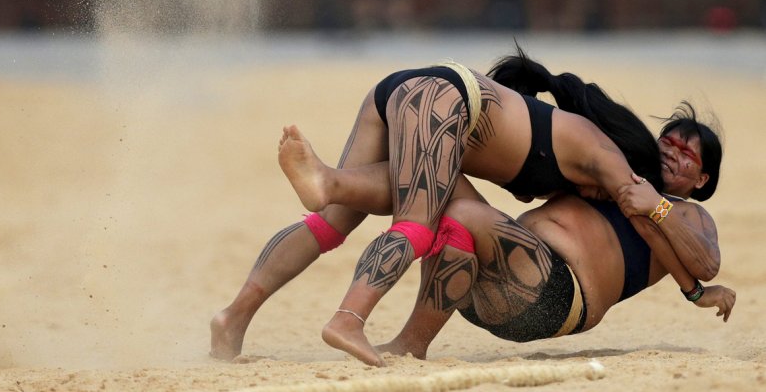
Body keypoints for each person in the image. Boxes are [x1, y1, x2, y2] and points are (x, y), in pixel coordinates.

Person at [210, 52, 722, 364]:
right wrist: (687, 281)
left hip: (557, 291)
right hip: (449, 118)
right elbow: (632, 206)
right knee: (422, 213)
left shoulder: (676, 208)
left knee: (434, 209)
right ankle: (317, 312)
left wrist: (689, 271)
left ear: (703, 180)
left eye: (687, 154)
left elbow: (690, 250)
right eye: (670, 142)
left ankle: (330, 196)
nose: (672, 153)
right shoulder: (605, 165)